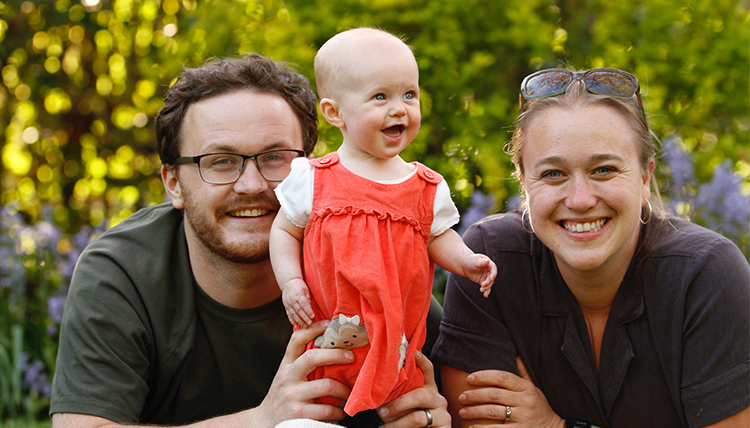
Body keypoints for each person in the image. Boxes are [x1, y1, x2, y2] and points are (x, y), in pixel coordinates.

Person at [50, 53, 450, 428]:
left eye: (275, 157)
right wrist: (261, 421)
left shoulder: (373, 262)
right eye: (220, 162)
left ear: (314, 170)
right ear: (173, 183)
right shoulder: (125, 272)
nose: (252, 185)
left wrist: (433, 418)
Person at [432, 67, 750, 427]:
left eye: (604, 170)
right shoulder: (489, 263)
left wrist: (555, 426)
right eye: (553, 174)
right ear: (523, 182)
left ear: (645, 178)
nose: (580, 200)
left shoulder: (705, 275)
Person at [270, 27, 496, 417]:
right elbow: (285, 230)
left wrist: (465, 261)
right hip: (329, 339)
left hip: (395, 344)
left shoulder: (424, 186)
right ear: (334, 112)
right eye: (380, 97)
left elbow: (437, 236)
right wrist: (291, 282)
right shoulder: (313, 179)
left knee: (404, 408)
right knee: (313, 410)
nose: (399, 109)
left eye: (410, 94)